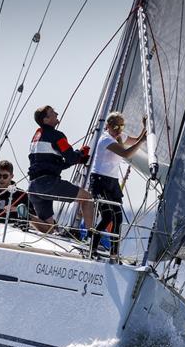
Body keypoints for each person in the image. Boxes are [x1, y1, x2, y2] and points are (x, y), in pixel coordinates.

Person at [27, 105, 93, 234]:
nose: (57, 114)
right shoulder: (57, 136)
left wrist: (78, 158)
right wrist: (80, 154)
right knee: (87, 198)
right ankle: (92, 237)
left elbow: (56, 163)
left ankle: (26, 216)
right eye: (52, 113)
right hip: (47, 184)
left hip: (33, 187)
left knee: (49, 228)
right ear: (46, 120)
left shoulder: (36, 136)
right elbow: (71, 158)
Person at [89, 112, 146, 257]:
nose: (119, 130)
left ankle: (114, 253)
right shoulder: (105, 140)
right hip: (100, 180)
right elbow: (126, 153)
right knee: (107, 216)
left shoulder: (119, 136)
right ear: (108, 126)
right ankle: (93, 247)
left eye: (121, 126)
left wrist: (144, 128)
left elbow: (136, 141)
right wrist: (141, 141)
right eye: (115, 126)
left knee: (118, 218)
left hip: (112, 182)